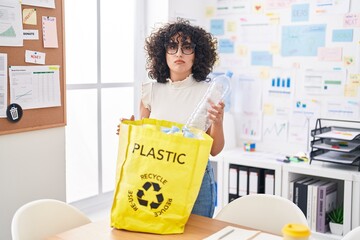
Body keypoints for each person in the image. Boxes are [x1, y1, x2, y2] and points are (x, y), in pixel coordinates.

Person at [118, 18, 225, 218]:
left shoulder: (210, 93)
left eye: (187, 47)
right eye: (172, 47)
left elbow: (215, 150)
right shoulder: (150, 91)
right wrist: (128, 130)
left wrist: (217, 122)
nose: (179, 53)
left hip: (196, 179)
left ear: (197, 54)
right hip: (157, 178)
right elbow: (144, 142)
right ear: (163, 53)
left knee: (198, 234)